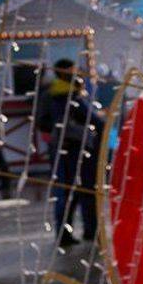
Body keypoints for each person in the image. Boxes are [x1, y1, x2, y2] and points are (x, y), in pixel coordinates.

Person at [47, 70, 105, 248]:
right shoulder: (74, 100)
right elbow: (97, 122)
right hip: (79, 152)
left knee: (65, 194)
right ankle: (91, 230)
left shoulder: (51, 98)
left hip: (60, 151)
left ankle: (63, 233)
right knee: (86, 192)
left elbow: (44, 122)